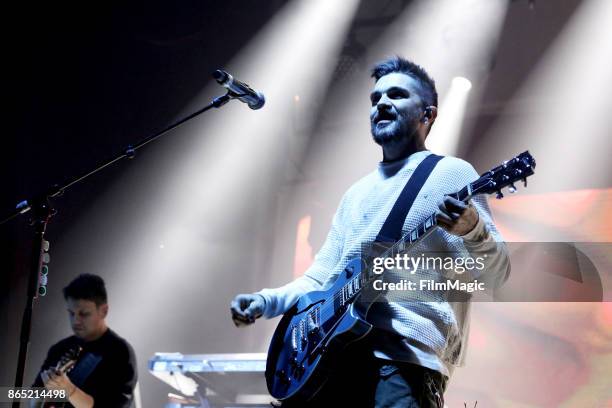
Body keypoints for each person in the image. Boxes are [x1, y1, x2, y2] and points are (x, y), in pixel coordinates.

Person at [230, 56, 510, 407]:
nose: (381, 104)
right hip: (332, 361)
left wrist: (473, 229)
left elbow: (498, 277)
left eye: (396, 95)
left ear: (428, 115)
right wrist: (266, 301)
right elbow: (321, 278)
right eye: (375, 98)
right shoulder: (356, 193)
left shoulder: (452, 175)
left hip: (402, 365)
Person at [32, 274, 137, 408]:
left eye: (84, 314)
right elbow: (32, 398)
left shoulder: (120, 352)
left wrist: (69, 390)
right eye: (71, 313)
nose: (75, 321)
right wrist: (43, 395)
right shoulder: (59, 348)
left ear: (104, 311)